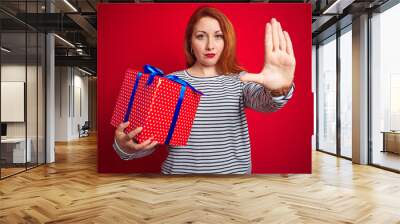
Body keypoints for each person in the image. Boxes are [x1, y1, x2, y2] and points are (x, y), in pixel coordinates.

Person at [113, 6, 295, 174]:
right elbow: (146, 143)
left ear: (226, 41)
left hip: (233, 184)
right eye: (201, 36)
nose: (210, 45)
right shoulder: (169, 83)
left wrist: (280, 88)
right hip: (179, 184)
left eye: (218, 36)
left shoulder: (240, 80)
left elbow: (267, 104)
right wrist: (125, 147)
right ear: (190, 42)